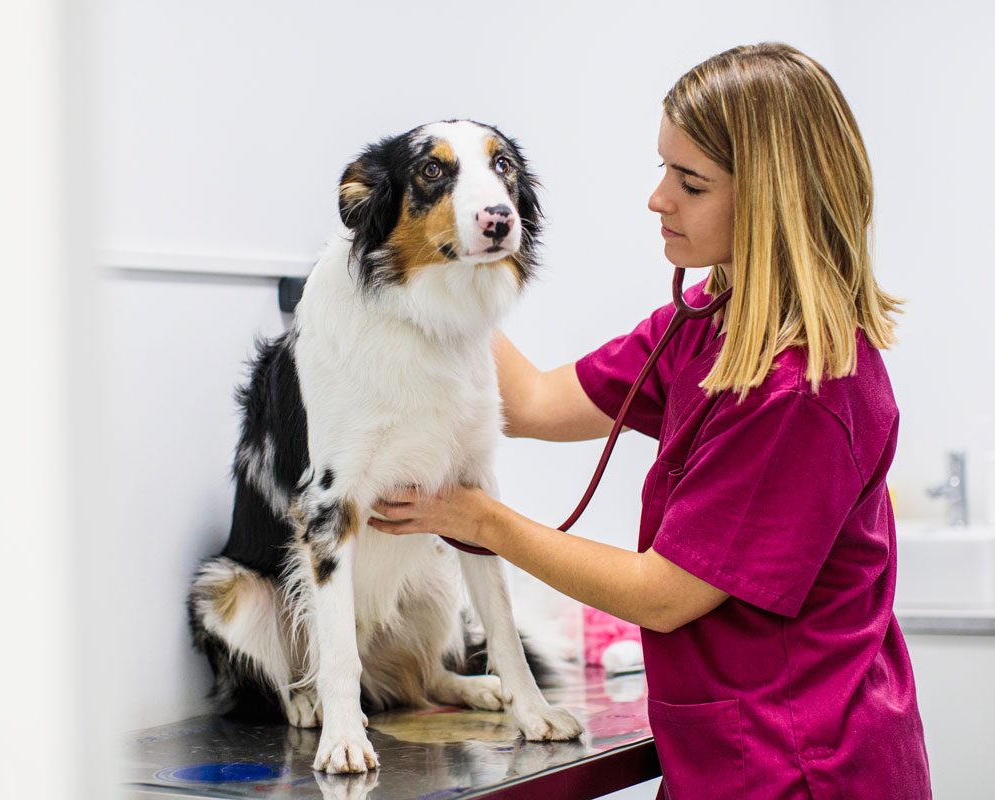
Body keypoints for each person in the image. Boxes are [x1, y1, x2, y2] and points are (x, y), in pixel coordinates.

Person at [369, 42, 932, 800]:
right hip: (724, 753)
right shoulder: (705, 324)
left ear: (772, 201)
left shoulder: (804, 391)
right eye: (663, 168)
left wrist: (480, 519)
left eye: (689, 181)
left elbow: (663, 593)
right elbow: (533, 401)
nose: (657, 197)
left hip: (802, 766)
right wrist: (431, 265)